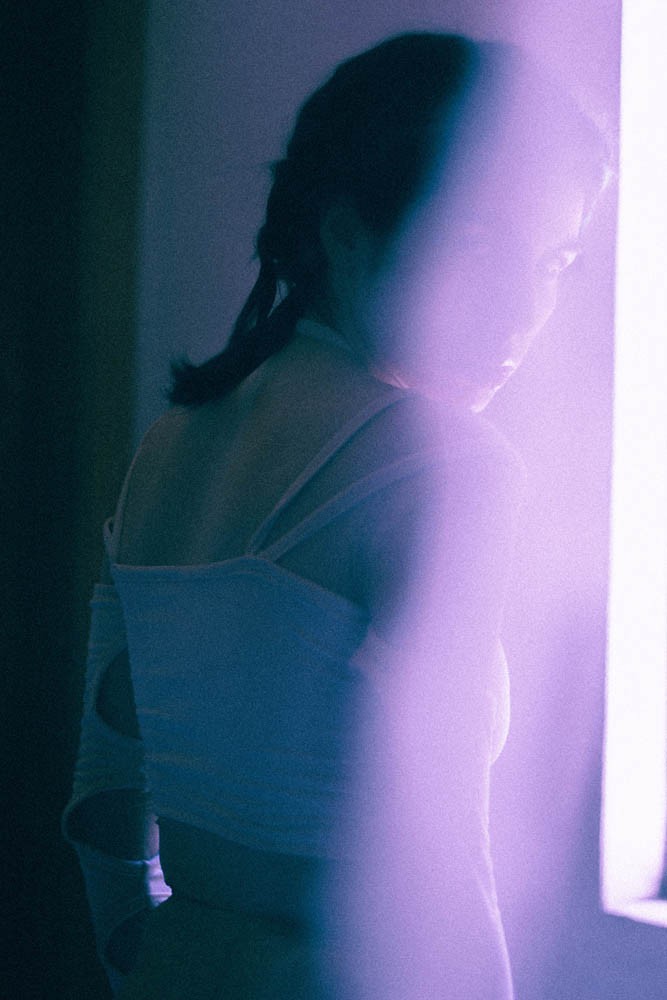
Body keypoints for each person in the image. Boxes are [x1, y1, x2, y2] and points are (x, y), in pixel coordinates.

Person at [63, 31, 609, 999]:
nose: (524, 310)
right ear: (347, 231)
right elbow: (446, 870)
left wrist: (151, 968)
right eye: (479, 242)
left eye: (555, 259)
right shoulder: (445, 465)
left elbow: (104, 801)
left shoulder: (166, 448)